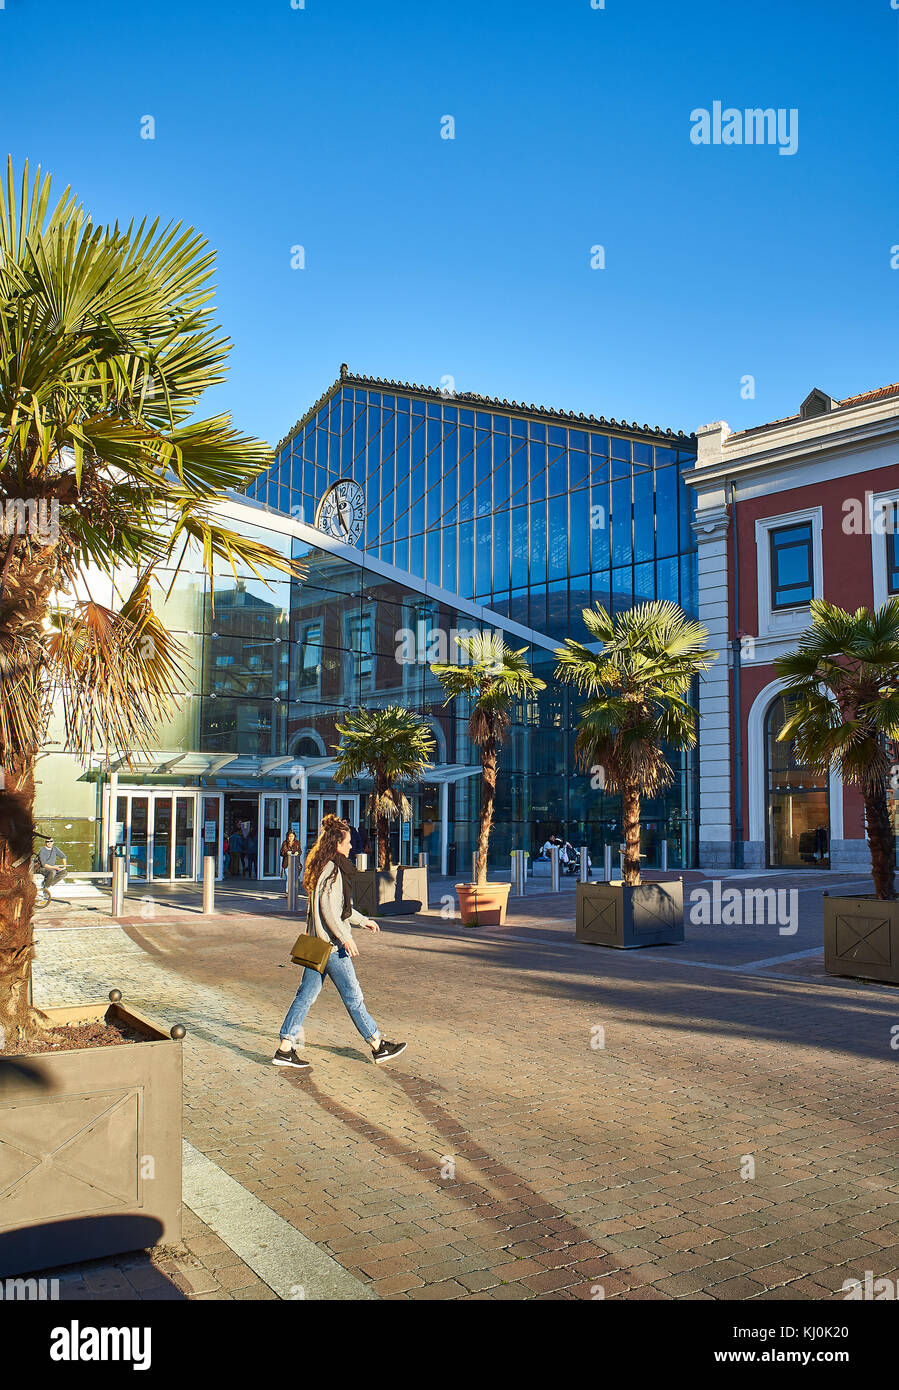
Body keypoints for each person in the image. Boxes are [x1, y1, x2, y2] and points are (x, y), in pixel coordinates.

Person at [273, 814, 407, 1070]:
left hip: (317, 945)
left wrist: (362, 920)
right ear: (336, 844)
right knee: (353, 997)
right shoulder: (333, 869)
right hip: (332, 947)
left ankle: (285, 1048)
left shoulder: (324, 866)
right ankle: (378, 1045)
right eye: (347, 842)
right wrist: (345, 938)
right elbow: (329, 909)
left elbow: (339, 908)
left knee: (305, 996)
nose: (351, 846)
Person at [280, 829, 301, 895]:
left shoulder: (297, 843)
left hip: (295, 862)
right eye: (289, 836)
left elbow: (300, 851)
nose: (290, 838)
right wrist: (286, 852)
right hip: (287, 863)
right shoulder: (284, 843)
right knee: (289, 878)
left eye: (292, 836)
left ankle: (294, 891)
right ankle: (288, 891)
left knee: (294, 878)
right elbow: (281, 853)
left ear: (294, 836)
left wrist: (297, 853)